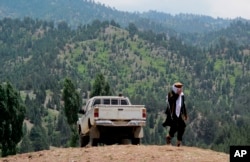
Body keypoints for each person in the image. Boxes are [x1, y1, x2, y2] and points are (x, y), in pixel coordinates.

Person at [162, 82, 188, 147]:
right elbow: (171, 100)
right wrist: (177, 94)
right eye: (178, 87)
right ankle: (169, 137)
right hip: (172, 114)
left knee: (182, 126)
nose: (179, 89)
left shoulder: (182, 95)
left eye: (180, 87)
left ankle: (179, 141)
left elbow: (183, 105)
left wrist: (185, 114)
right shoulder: (170, 94)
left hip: (179, 114)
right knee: (175, 126)